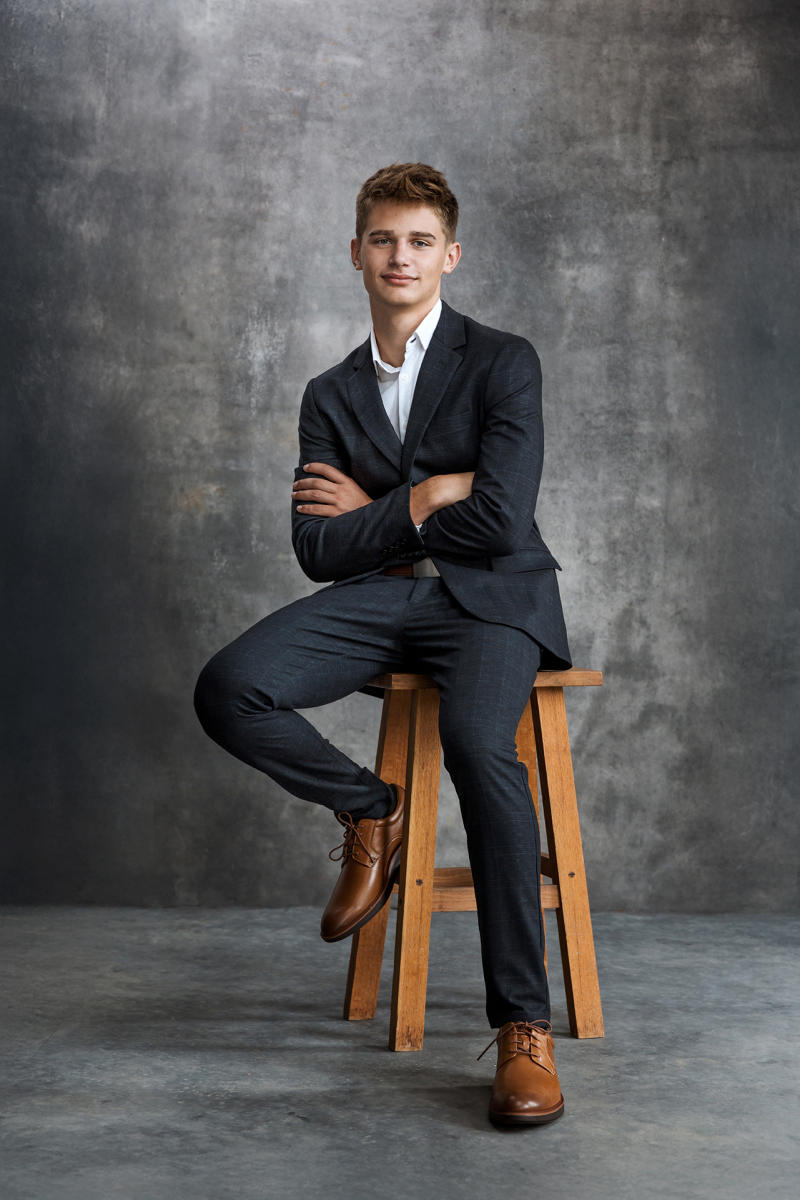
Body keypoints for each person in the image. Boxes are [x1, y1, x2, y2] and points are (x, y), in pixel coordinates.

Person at [194, 162, 572, 1127]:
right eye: (382, 239)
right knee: (230, 687)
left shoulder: (504, 361)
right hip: (381, 600)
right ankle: (373, 811)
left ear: (450, 255)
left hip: (493, 601)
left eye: (419, 241)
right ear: (356, 253)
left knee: (480, 749)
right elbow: (317, 550)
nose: (400, 256)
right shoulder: (328, 393)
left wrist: (379, 509)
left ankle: (523, 1027)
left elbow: (501, 519)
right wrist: (425, 496)